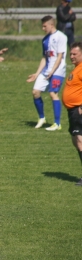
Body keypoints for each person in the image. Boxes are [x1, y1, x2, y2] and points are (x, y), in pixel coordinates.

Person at [27, 16, 67, 131]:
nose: (43, 28)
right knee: (35, 92)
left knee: (53, 94)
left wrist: (52, 71)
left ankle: (57, 124)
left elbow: (60, 56)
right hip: (46, 71)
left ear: (51, 25)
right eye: (42, 26)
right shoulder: (45, 39)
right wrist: (36, 73)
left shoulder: (61, 37)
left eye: (45, 26)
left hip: (58, 71)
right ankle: (42, 118)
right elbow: (45, 57)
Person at [62, 42, 82, 185]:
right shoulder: (76, 69)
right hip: (73, 111)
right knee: (76, 141)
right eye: (70, 54)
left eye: (75, 54)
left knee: (80, 141)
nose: (71, 56)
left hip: (78, 110)